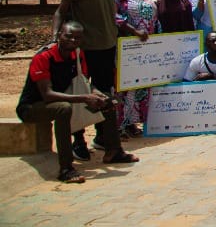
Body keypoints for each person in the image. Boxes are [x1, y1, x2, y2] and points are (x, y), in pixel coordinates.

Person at [17, 21, 138, 183]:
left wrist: (97, 95)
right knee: (63, 109)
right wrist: (84, 98)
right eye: (68, 36)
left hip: (66, 97)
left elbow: (84, 83)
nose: (73, 41)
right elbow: (47, 95)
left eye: (77, 38)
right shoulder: (44, 57)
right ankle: (66, 168)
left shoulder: (78, 55)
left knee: (108, 102)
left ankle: (114, 150)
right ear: (59, 35)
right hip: (33, 106)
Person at [53, 0, 119, 161]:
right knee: (79, 93)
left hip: (107, 45)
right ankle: (78, 140)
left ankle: (102, 137)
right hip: (85, 48)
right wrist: (56, 38)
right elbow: (62, 10)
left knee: (104, 94)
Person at [114, 0, 156, 137]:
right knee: (124, 85)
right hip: (126, 46)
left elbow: (154, 15)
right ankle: (119, 125)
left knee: (140, 85)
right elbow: (114, 17)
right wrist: (133, 31)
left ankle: (132, 122)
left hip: (145, 46)